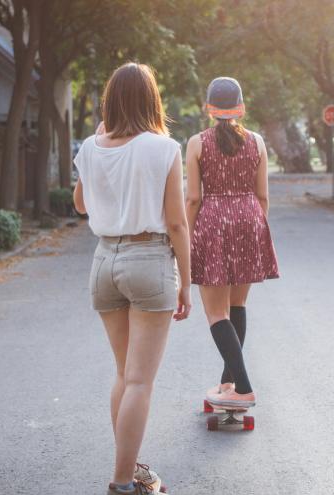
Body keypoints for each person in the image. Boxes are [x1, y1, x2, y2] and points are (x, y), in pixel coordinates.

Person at [73, 62, 191, 495]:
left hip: (104, 261)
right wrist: (186, 281)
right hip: (148, 258)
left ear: (111, 101)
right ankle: (123, 483)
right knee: (140, 380)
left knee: (125, 375)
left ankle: (132, 469)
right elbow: (177, 223)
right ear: (151, 100)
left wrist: (100, 150)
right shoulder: (164, 148)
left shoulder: (90, 146)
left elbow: (81, 205)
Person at [185, 77, 279, 409]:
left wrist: (186, 237)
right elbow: (263, 195)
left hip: (212, 224)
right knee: (236, 307)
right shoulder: (257, 142)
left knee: (215, 313)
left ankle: (243, 387)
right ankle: (228, 384)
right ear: (241, 106)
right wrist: (255, 226)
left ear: (209, 108)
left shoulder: (197, 143)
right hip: (249, 222)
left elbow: (194, 198)